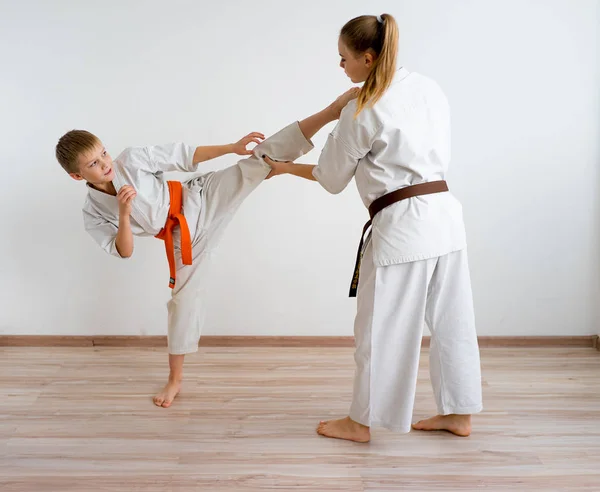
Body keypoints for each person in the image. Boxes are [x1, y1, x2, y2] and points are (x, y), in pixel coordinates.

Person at [55, 91, 357, 408]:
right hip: (181, 239)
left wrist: (232, 148)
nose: (105, 163)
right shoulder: (93, 212)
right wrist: (124, 214)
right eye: (93, 163)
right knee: (182, 303)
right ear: (77, 175)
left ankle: (330, 111)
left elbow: (184, 155)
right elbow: (124, 251)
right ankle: (175, 380)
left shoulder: (129, 160)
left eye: (103, 152)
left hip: (199, 197)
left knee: (260, 161)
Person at [265, 13, 483, 442]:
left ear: (367, 58)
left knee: (378, 328)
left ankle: (361, 422)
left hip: (403, 228)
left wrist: (287, 168)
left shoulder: (362, 108)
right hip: (446, 217)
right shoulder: (427, 87)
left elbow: (331, 178)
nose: (340, 66)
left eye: (344, 58)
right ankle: (459, 414)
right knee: (453, 322)